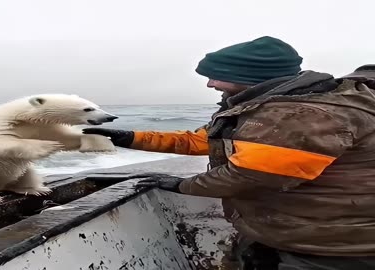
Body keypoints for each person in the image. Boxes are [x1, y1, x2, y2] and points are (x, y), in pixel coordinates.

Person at [84, 36, 375, 270]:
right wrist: (129, 138)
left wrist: (182, 185)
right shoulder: (264, 106)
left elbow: (251, 176)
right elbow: (201, 141)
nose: (210, 84)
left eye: (216, 77)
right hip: (283, 232)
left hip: (330, 246)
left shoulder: (300, 115)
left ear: (250, 76)